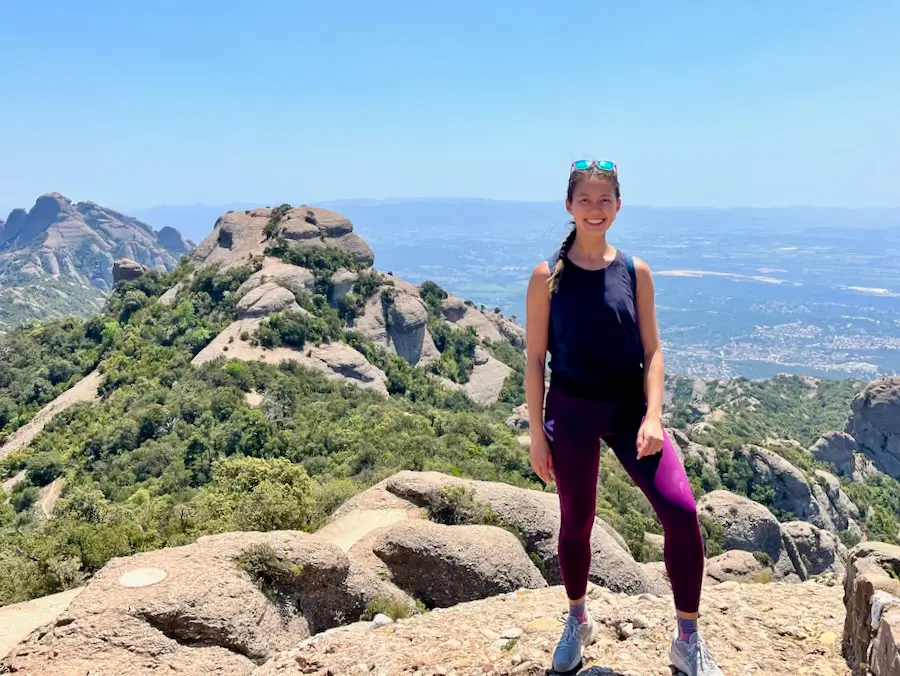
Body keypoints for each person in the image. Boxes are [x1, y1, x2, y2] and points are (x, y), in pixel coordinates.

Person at [524, 160, 723, 675]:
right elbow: (534, 360)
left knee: (680, 512)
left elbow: (654, 351)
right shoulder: (547, 276)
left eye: (604, 200)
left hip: (630, 408)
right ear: (569, 206)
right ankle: (576, 620)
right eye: (585, 200)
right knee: (577, 523)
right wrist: (536, 436)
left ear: (618, 206)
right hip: (570, 411)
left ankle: (687, 637)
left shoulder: (635, 271)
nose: (595, 209)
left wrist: (654, 415)